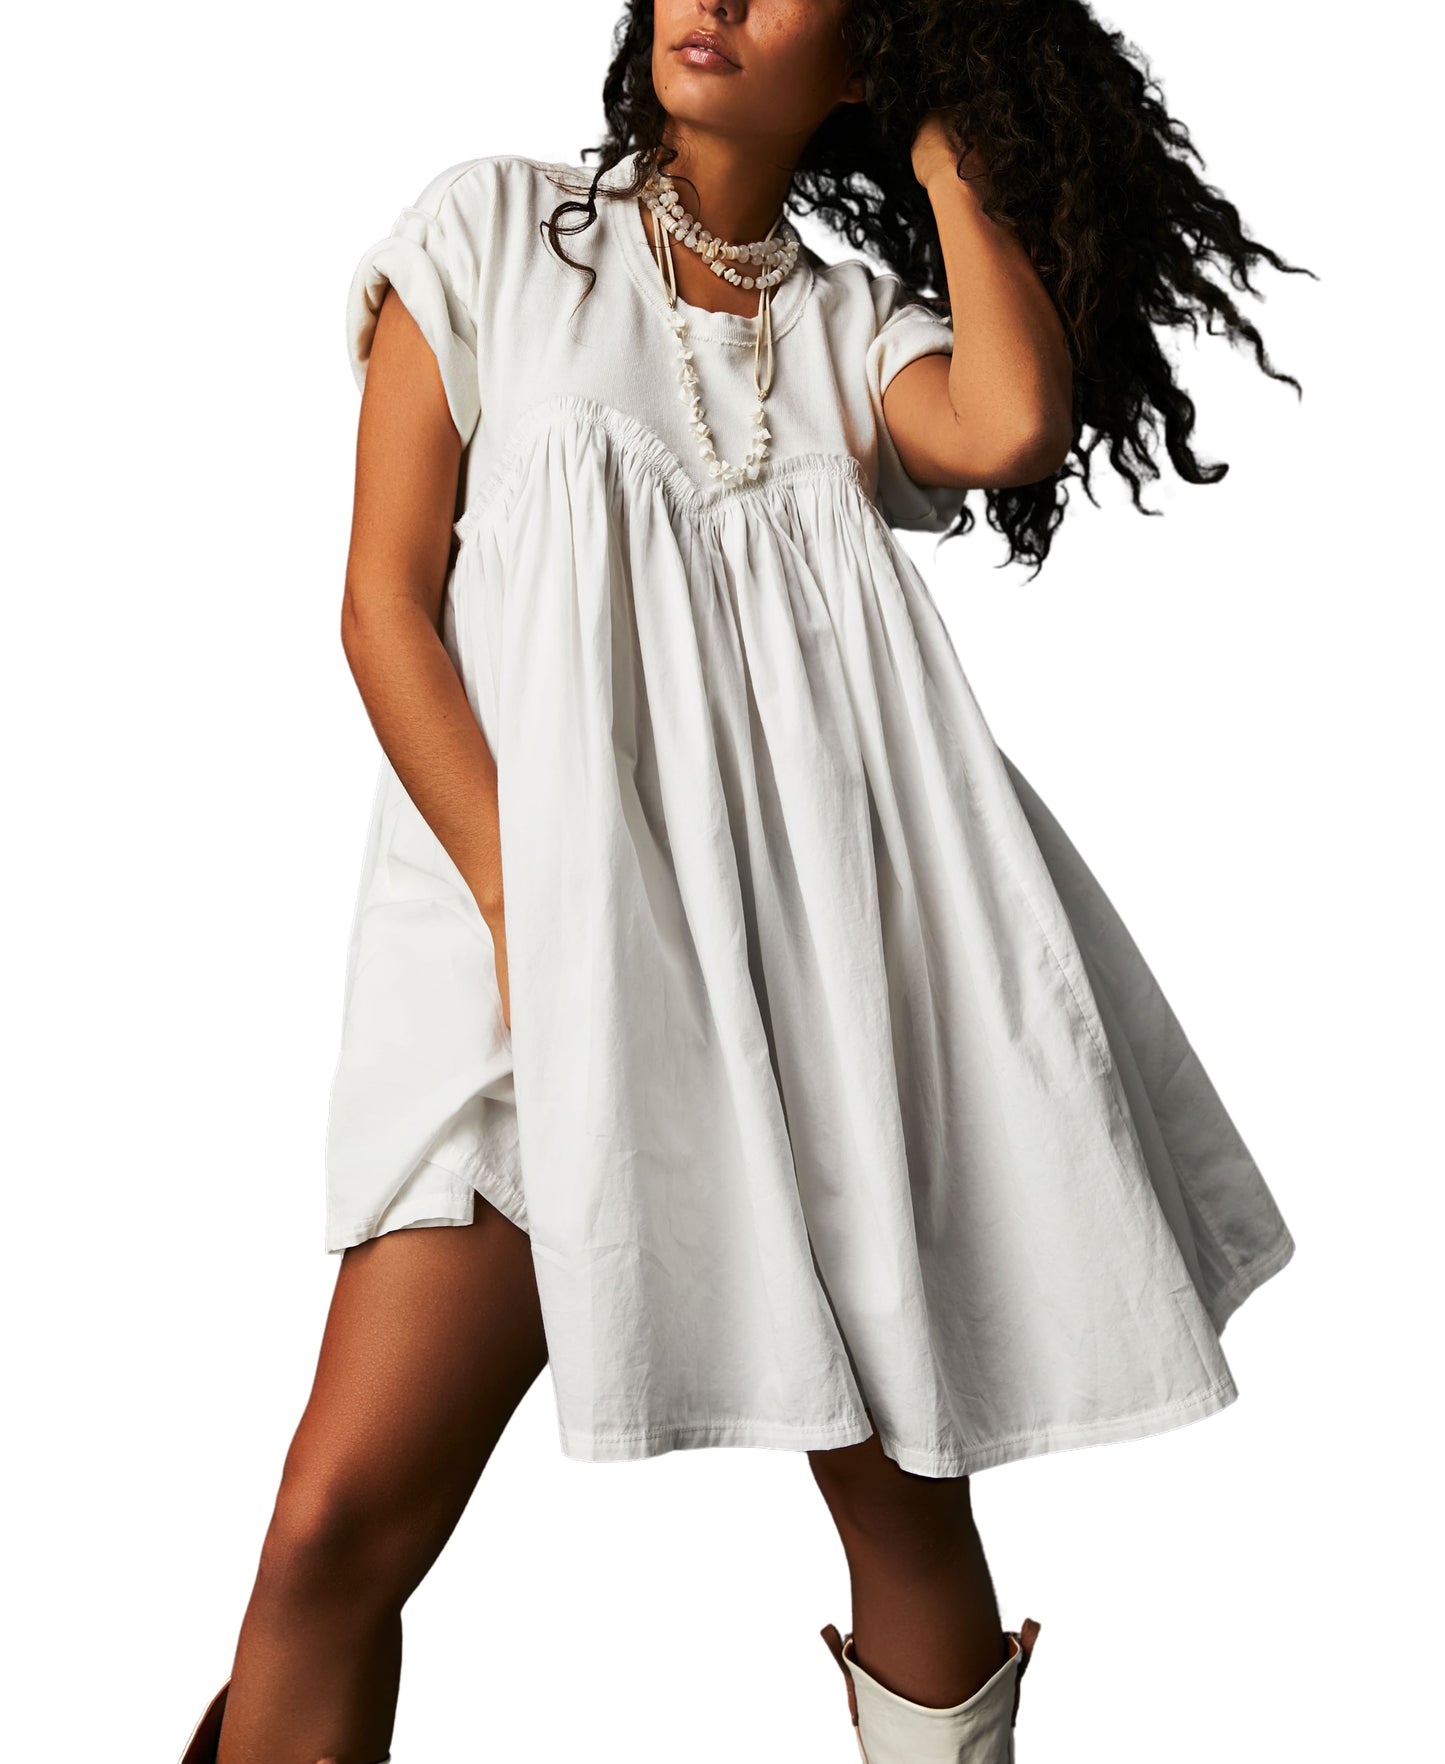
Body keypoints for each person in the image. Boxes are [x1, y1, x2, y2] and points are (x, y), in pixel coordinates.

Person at [178, 2, 1301, 1759]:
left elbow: (1009, 422)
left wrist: (946, 134)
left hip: (813, 989)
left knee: (906, 1515)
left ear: (862, 60)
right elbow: (381, 609)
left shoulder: (853, 329)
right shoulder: (493, 233)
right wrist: (531, 916)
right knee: (335, 1527)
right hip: (525, 977)